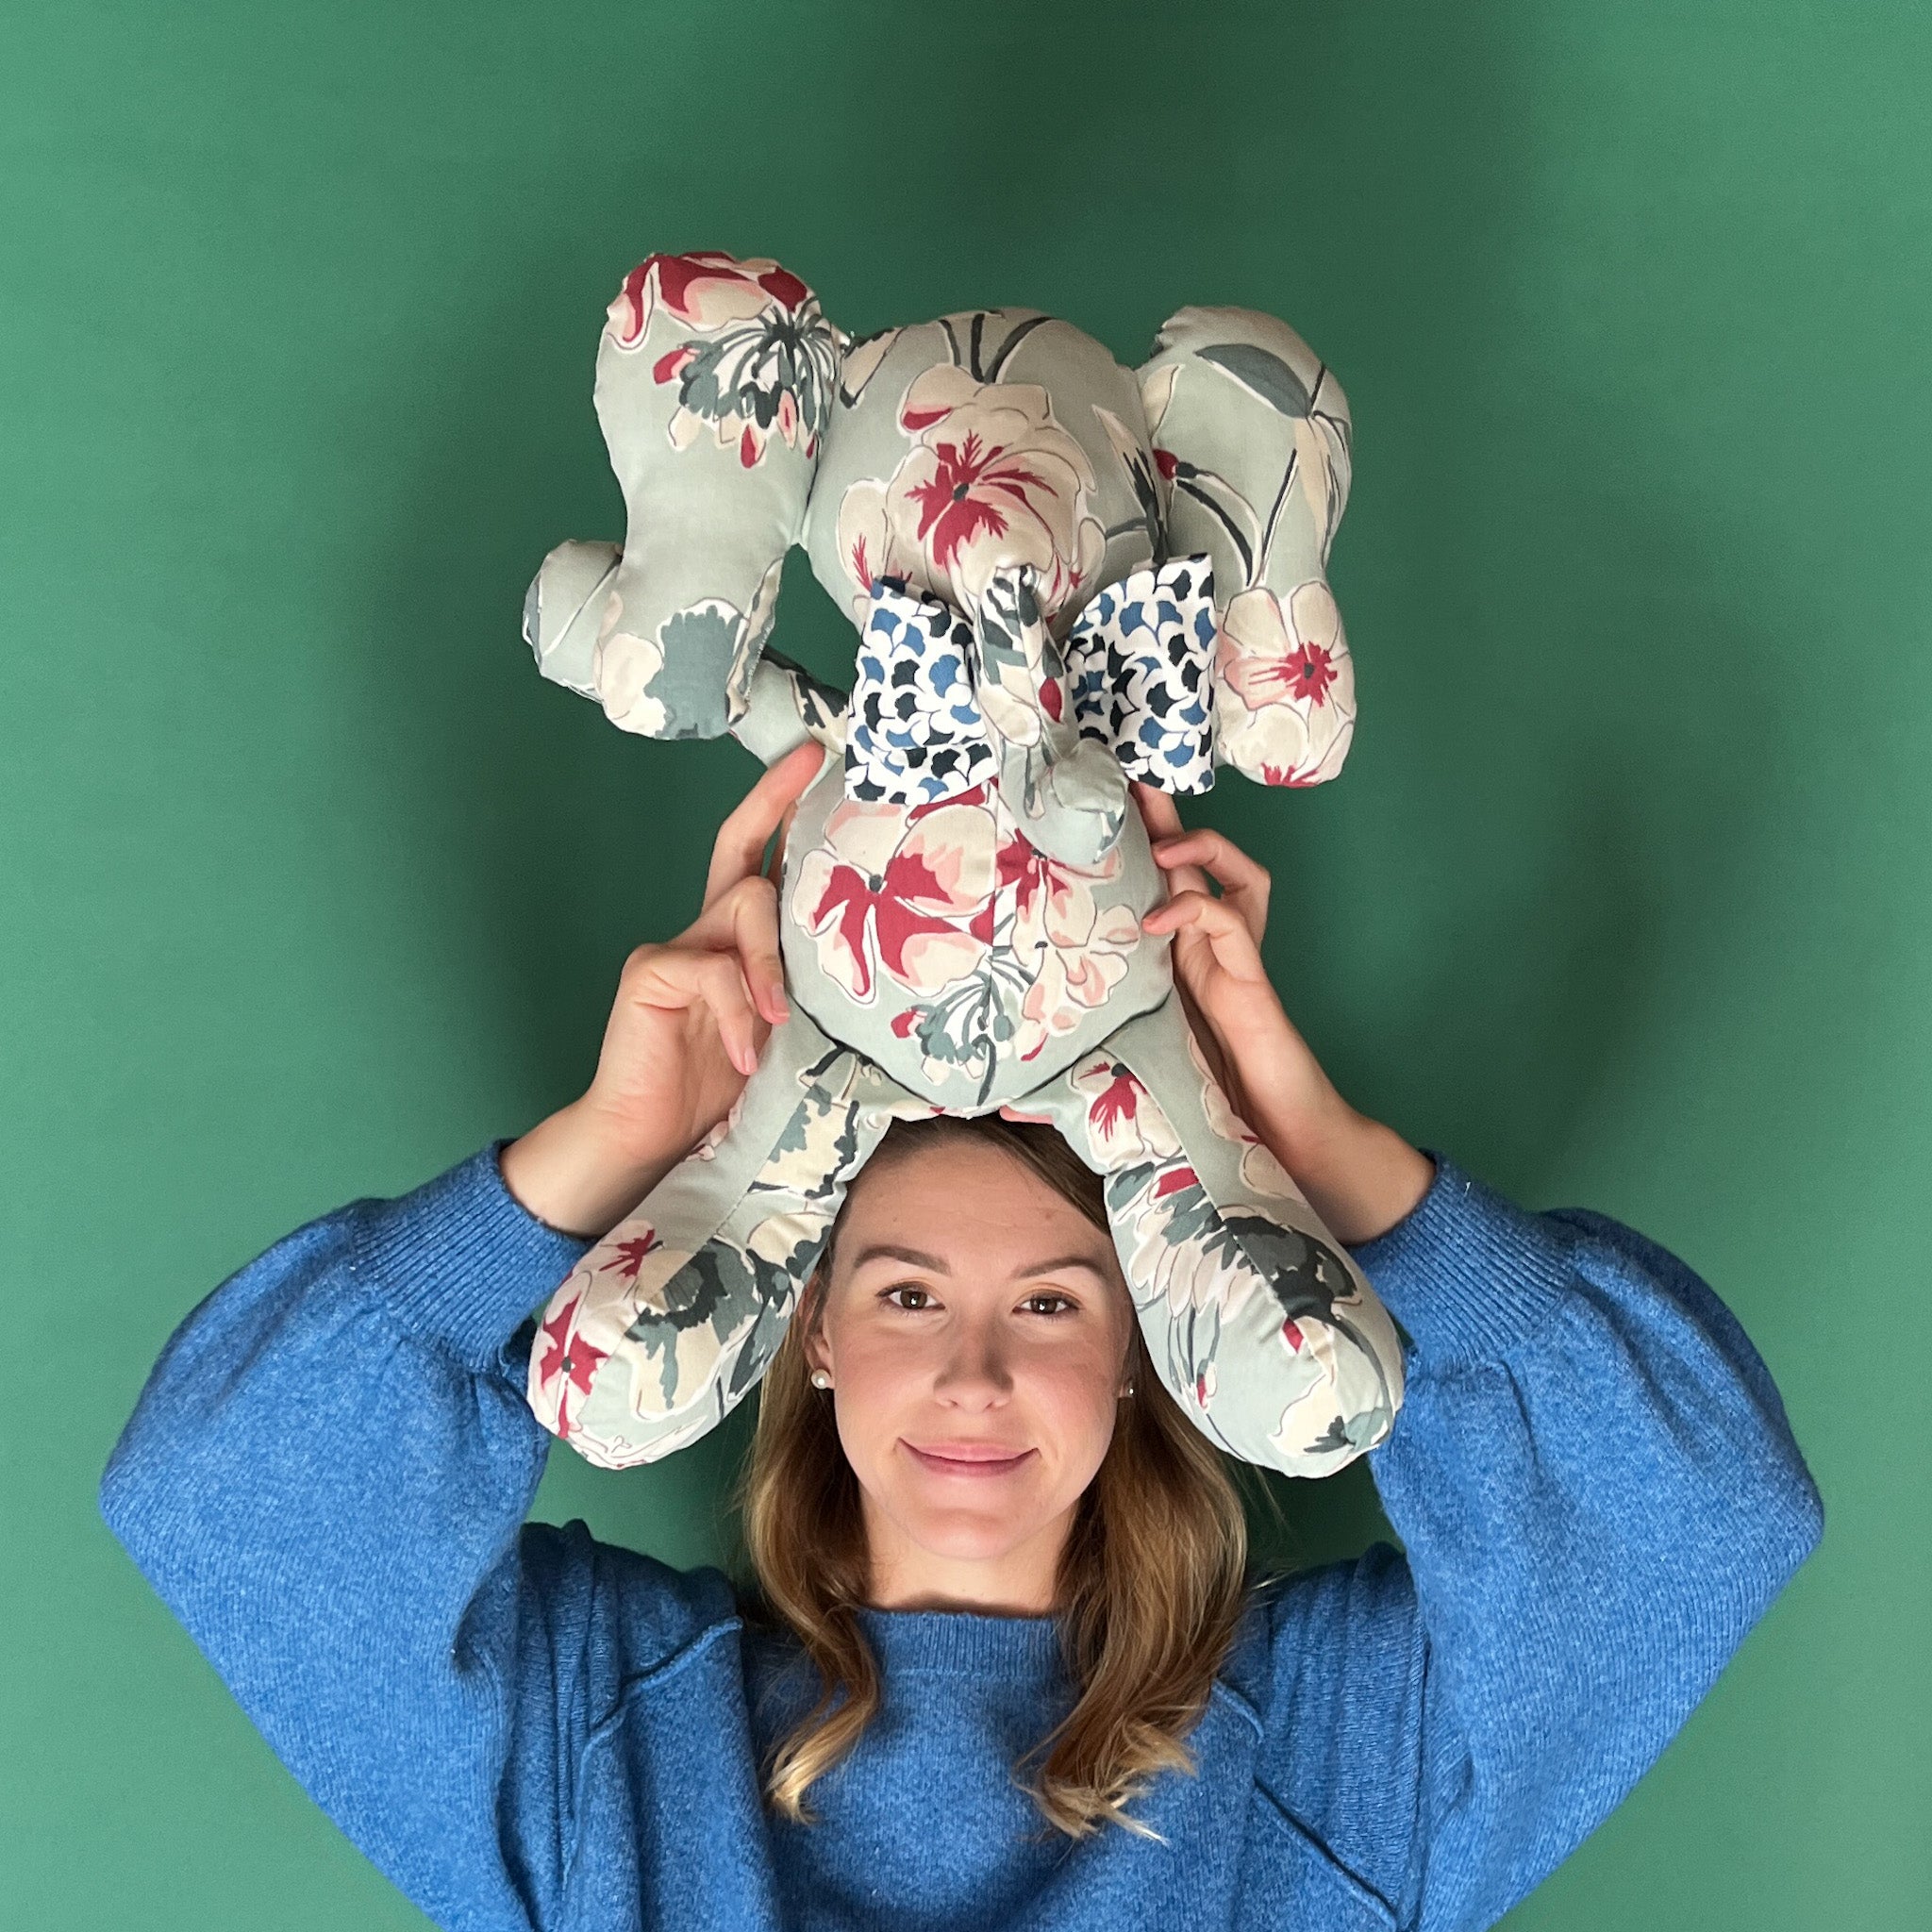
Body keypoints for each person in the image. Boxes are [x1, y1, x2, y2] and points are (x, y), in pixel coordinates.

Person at [100, 743, 1824, 1932]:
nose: (975, 1377)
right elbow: (225, 1489)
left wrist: (1297, 1142)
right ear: (817, 1338)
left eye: (1055, 1302)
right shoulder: (614, 1737)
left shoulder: (1323, 1749)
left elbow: (1700, 1512)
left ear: (1146, 1344)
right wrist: (616, 1141)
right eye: (906, 1292)